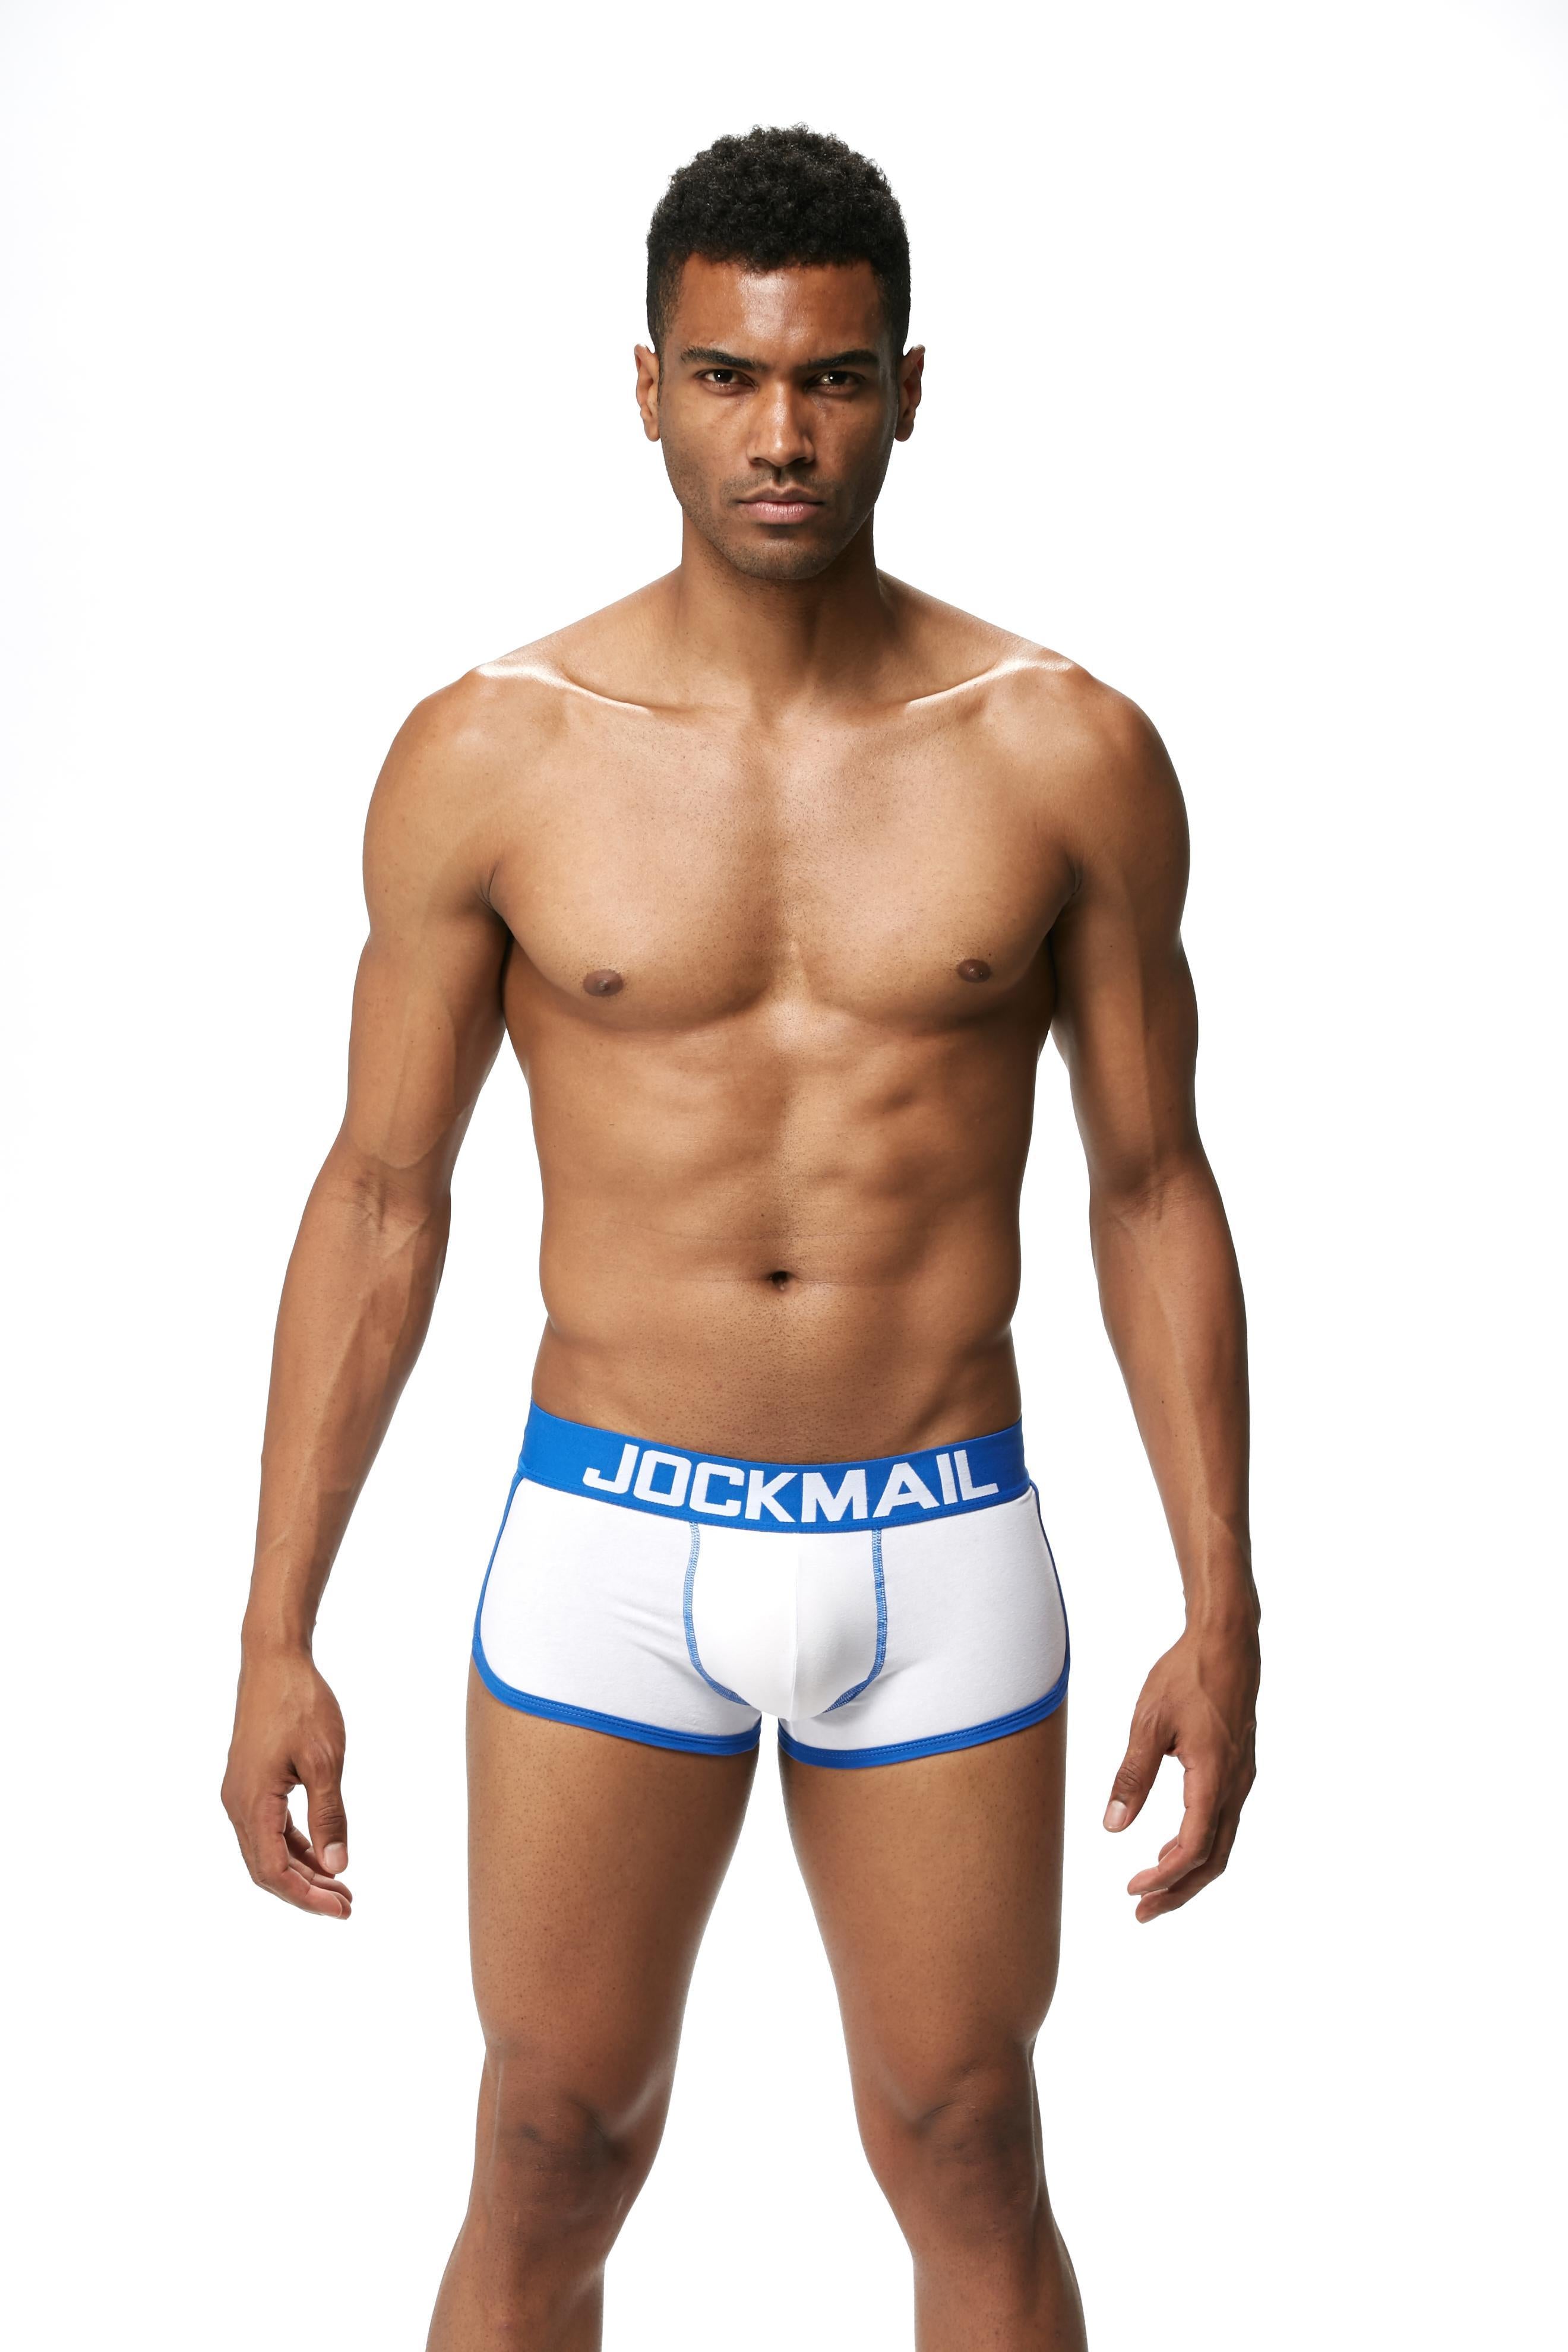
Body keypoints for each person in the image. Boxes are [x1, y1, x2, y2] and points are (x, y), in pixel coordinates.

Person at [222, 124, 1260, 2352]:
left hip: (939, 1529)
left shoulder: (1066, 752)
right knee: (548, 2144)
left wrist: (1224, 1597)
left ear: (908, 390)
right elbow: (382, 1193)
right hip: (612, 1534)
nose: (780, 434)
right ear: (647, 388)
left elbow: (1151, 1182)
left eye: (830, 379)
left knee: (969, 2139)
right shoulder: (491, 754)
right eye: (727, 377)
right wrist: (273, 1628)